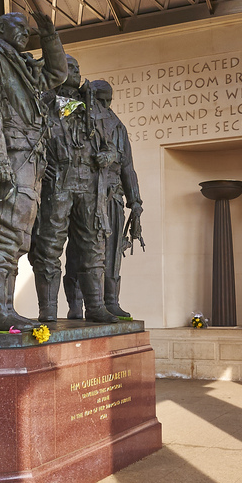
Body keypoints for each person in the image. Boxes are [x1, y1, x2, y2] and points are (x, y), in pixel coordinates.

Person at [0, 10, 68, 331]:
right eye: (19, 28)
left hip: (29, 159)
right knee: (1, 232)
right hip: (10, 156)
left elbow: (58, 74)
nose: (25, 34)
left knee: (17, 239)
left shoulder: (21, 64)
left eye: (28, 30)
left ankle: (4, 308)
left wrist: (50, 37)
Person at [35, 57, 113, 323]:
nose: (77, 72)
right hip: (59, 179)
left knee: (93, 246)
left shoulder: (93, 107)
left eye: (79, 68)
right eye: (71, 68)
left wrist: (107, 155)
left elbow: (112, 146)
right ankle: (48, 309)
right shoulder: (43, 101)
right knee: (49, 245)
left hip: (89, 182)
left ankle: (96, 307)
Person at [86, 79, 142, 318]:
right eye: (101, 100)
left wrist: (136, 202)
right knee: (88, 251)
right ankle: (85, 304)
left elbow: (128, 167)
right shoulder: (82, 121)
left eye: (109, 99)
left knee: (113, 250)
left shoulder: (118, 127)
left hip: (113, 197)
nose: (106, 105)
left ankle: (111, 300)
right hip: (87, 194)